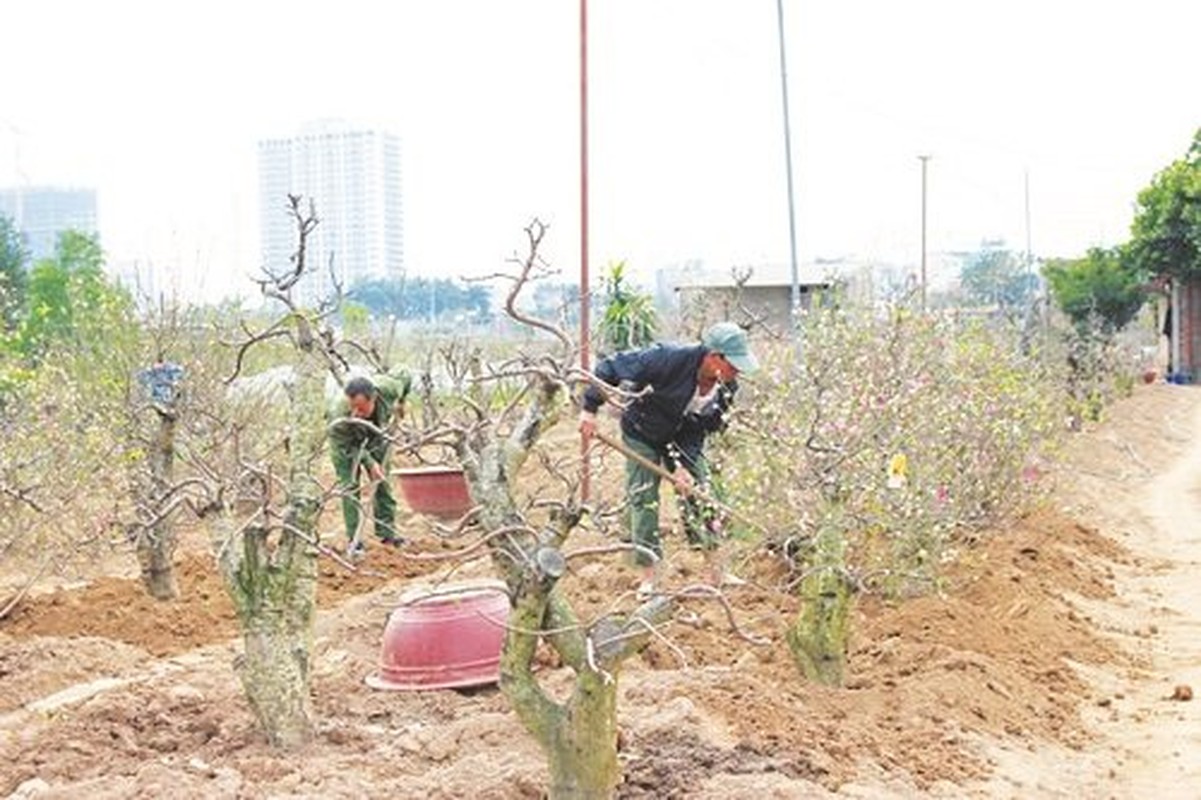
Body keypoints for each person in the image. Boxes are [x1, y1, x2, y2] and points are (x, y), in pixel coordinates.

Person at [579, 321, 759, 595]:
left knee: (699, 493)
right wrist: (590, 409)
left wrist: (683, 467)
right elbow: (610, 367)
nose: (736, 373)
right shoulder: (668, 358)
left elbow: (701, 427)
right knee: (644, 499)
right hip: (643, 431)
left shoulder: (725, 388)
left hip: (681, 437)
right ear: (713, 356)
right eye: (732, 365)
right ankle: (650, 576)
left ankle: (717, 572)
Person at [327, 370, 412, 557]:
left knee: (382, 481)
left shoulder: (389, 388)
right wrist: (369, 462)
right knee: (350, 487)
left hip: (376, 436)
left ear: (373, 398)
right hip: (345, 444)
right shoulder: (339, 414)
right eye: (353, 408)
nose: (356, 413)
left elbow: (405, 375)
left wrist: (402, 403)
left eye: (361, 408)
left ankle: (387, 534)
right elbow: (349, 446)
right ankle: (354, 540)